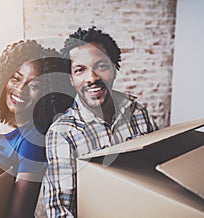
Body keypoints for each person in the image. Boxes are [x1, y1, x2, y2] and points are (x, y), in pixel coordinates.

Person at [43, 26, 158, 217]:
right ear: (71, 79)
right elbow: (60, 211)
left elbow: (159, 178)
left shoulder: (138, 112)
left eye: (101, 66)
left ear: (114, 68)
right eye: (80, 70)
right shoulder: (63, 133)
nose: (92, 78)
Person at [0, 40, 73, 218]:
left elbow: (19, 213)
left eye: (34, 85)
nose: (20, 89)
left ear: (45, 94)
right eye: (16, 78)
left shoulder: (32, 142)